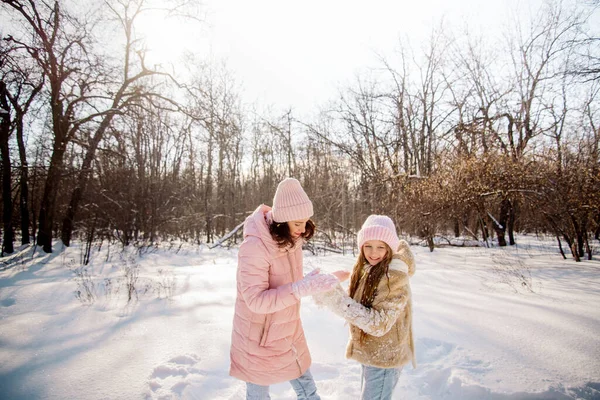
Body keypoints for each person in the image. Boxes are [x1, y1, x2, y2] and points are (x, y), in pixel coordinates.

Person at [230, 177, 343, 400]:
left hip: (288, 328)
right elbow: (256, 300)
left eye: (305, 222)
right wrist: (301, 288)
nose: (302, 230)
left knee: (308, 389)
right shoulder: (255, 247)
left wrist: (310, 282)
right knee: (258, 393)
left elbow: (287, 283)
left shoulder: (291, 239)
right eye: (297, 224)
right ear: (282, 221)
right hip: (258, 336)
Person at [313, 215, 416, 400]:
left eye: (380, 246)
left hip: (385, 357)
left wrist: (334, 298)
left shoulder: (395, 276)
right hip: (372, 352)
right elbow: (359, 305)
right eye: (368, 245)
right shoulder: (367, 267)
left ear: (389, 248)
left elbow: (378, 324)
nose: (373, 252)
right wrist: (329, 287)